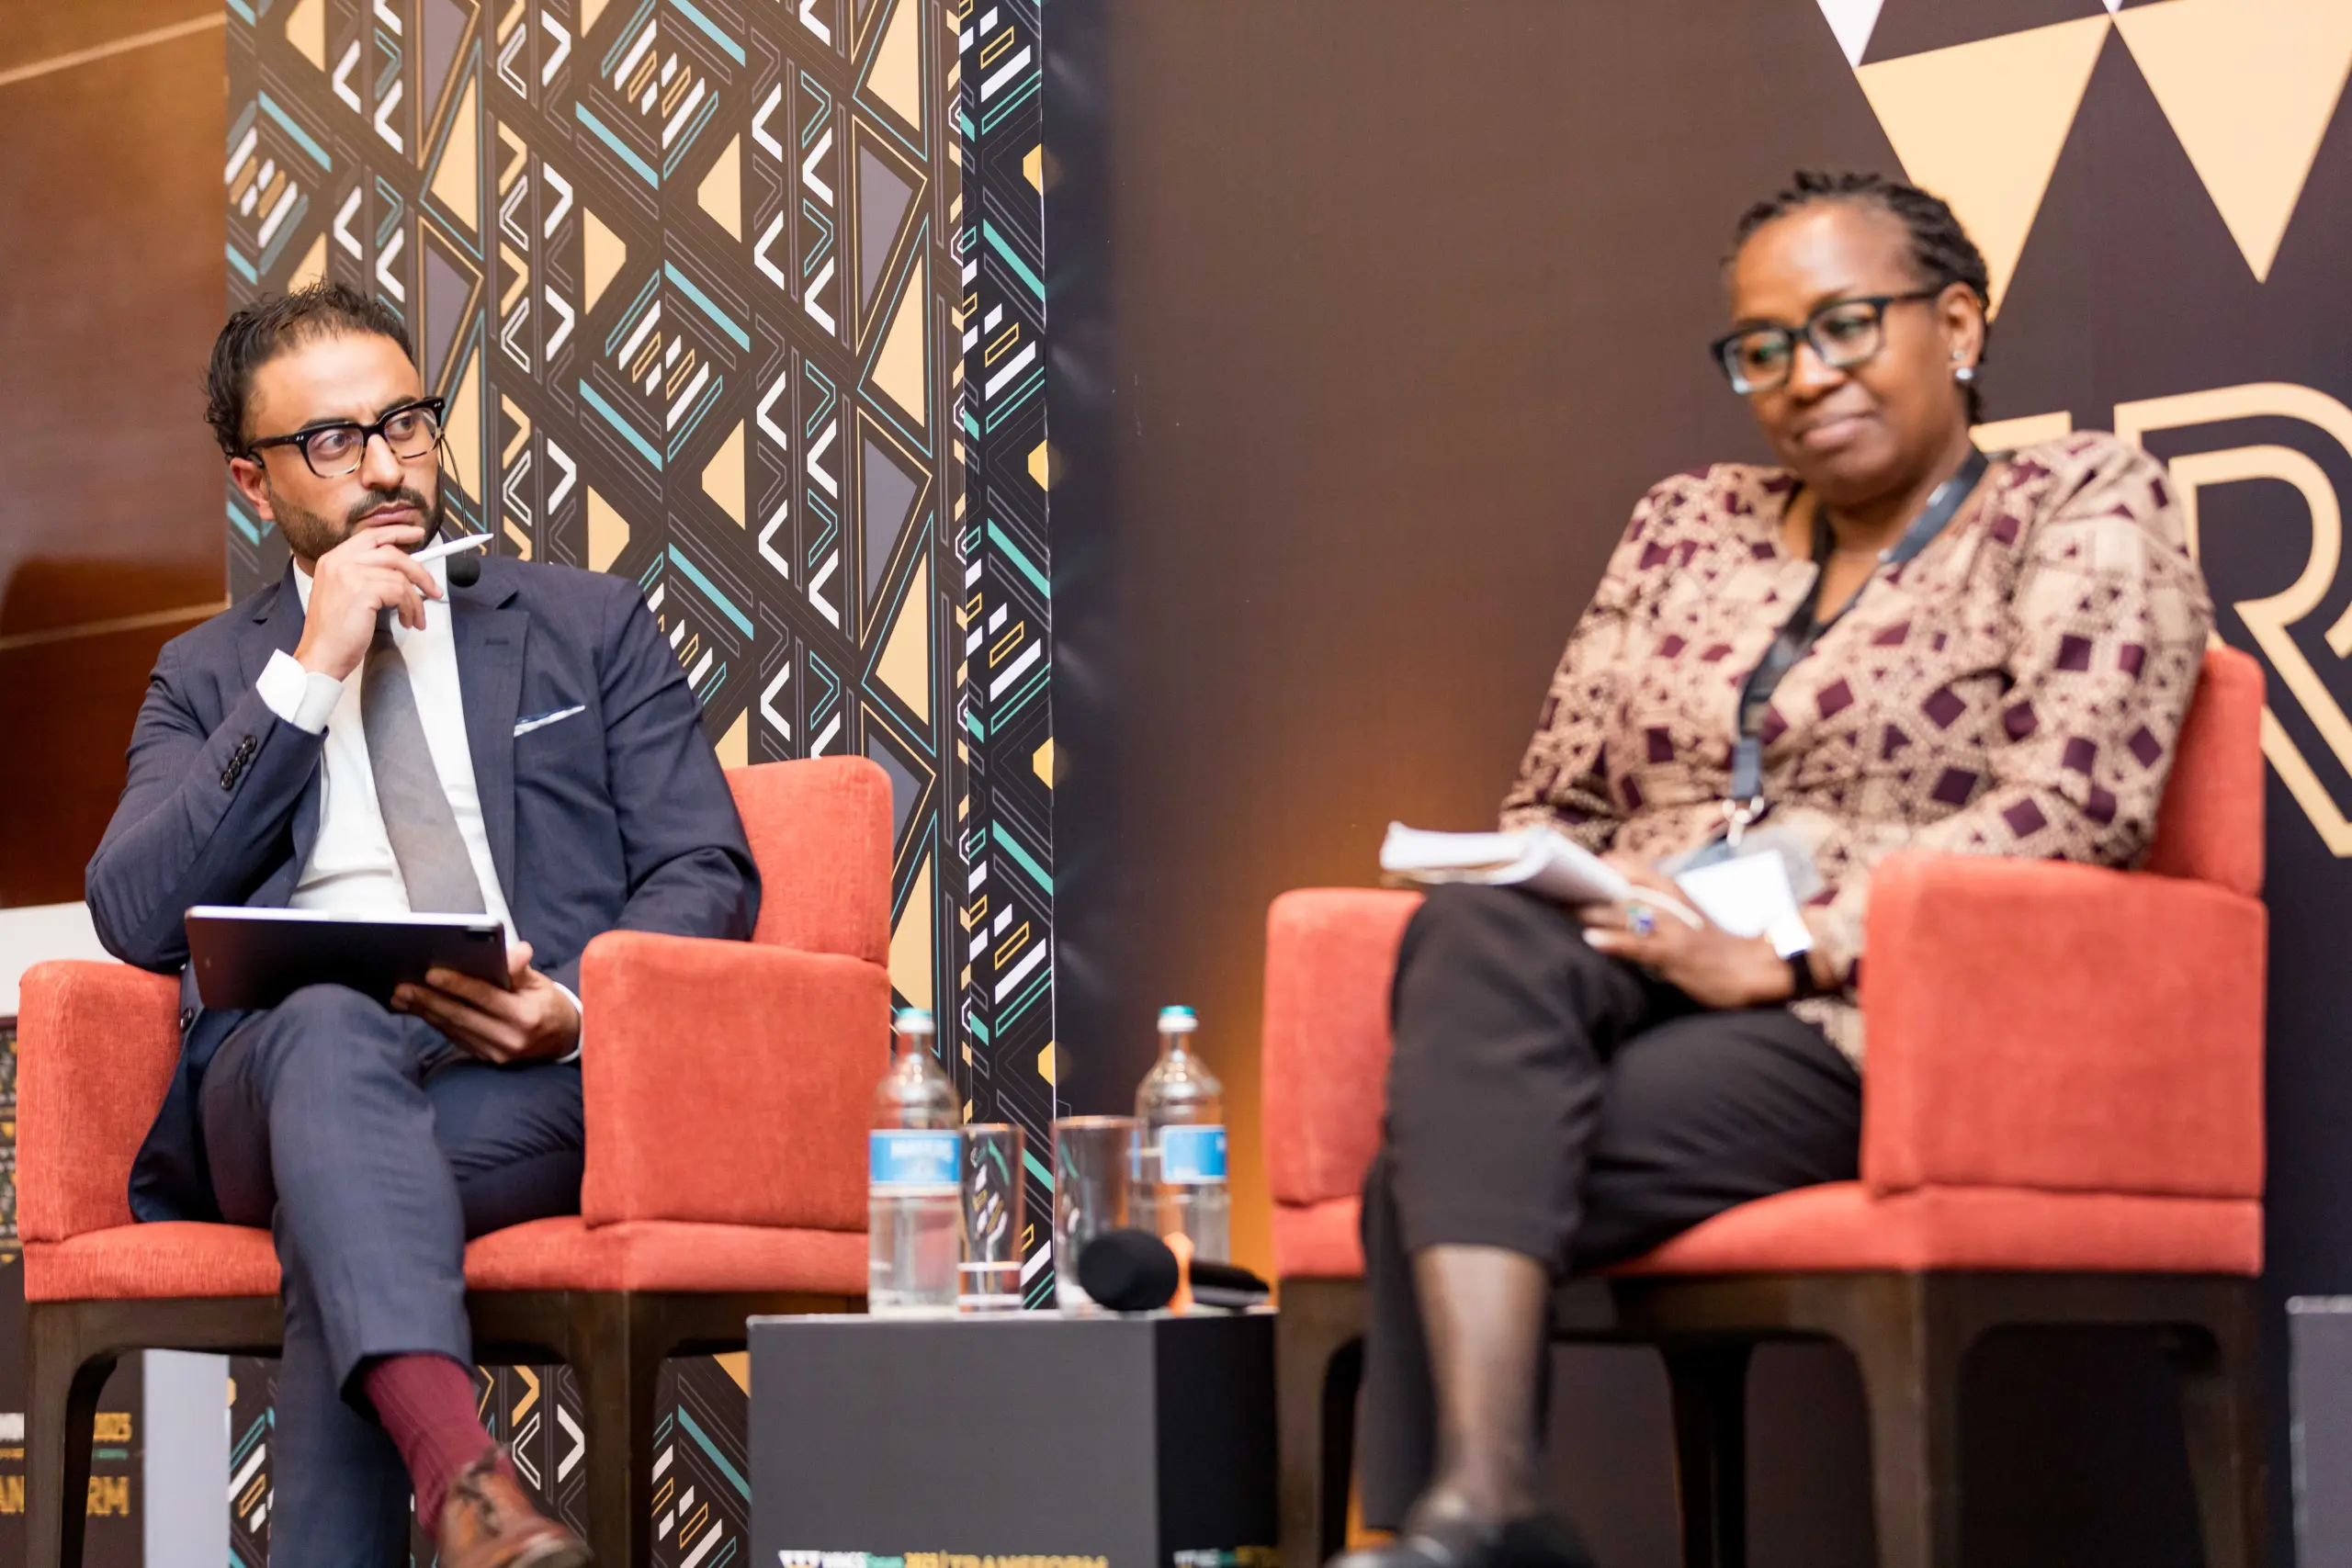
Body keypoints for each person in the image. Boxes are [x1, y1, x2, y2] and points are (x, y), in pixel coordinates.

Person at [1340, 171, 2214, 1568]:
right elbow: (1553, 798)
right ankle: (1488, 1507)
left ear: (1957, 326)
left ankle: (1457, 1520)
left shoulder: (2077, 498)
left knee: (1423, 1170)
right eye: (1763, 348)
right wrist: (1598, 888)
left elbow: (2077, 802)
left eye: (1845, 327)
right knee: (1473, 930)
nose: (1805, 378)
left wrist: (1798, 943)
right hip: (1637, 951)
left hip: (1878, 1011)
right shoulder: (1688, 522)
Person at [85, 282, 759, 1567]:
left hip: (526, 1082)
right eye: (332, 441)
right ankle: (463, 1475)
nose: (387, 466)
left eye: (406, 422)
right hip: (275, 1080)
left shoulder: (585, 624)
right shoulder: (210, 674)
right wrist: (309, 671)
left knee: (341, 1215)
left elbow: (703, 865)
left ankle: (465, 1490)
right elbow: (131, 910)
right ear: (252, 482)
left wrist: (575, 1009)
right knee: (325, 1030)